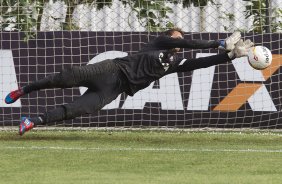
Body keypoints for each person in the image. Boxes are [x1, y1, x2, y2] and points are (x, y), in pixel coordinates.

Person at [5, 28, 253, 135]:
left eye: (180, 39)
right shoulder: (160, 42)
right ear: (168, 38)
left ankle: (32, 121)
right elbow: (188, 44)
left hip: (116, 88)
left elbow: (200, 63)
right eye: (177, 38)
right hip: (109, 69)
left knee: (82, 108)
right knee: (65, 77)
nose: (180, 41)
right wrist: (218, 42)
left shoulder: (175, 64)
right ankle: (23, 90)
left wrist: (229, 55)